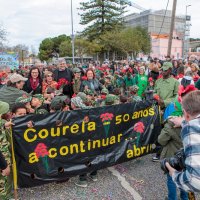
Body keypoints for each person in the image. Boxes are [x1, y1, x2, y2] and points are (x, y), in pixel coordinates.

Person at [166, 90, 200, 193]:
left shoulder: (191, 127)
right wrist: (184, 122)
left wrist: (174, 174)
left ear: (185, 113)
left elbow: (194, 181)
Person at [0, 101, 13, 199]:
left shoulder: (1, 124)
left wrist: (4, 126)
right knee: (2, 184)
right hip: (2, 162)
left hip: (4, 158)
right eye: (6, 110)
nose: (9, 112)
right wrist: (4, 166)